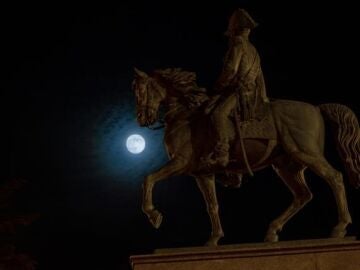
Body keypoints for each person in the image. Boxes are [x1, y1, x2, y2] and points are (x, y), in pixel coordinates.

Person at [204, 8, 269, 168]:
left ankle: (223, 154)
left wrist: (218, 85)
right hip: (252, 92)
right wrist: (263, 96)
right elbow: (260, 77)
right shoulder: (254, 50)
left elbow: (231, 70)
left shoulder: (238, 45)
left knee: (218, 114)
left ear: (234, 30)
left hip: (240, 93)